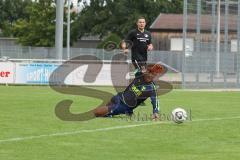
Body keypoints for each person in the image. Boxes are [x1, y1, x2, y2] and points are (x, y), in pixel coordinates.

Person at [92, 64, 164, 120]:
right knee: (108, 104)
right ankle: (118, 113)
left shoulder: (151, 88)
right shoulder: (139, 75)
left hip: (125, 106)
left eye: (154, 74)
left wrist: (155, 112)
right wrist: (140, 70)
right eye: (150, 72)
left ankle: (122, 111)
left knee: (97, 113)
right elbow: (134, 72)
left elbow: (155, 101)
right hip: (119, 96)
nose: (152, 75)